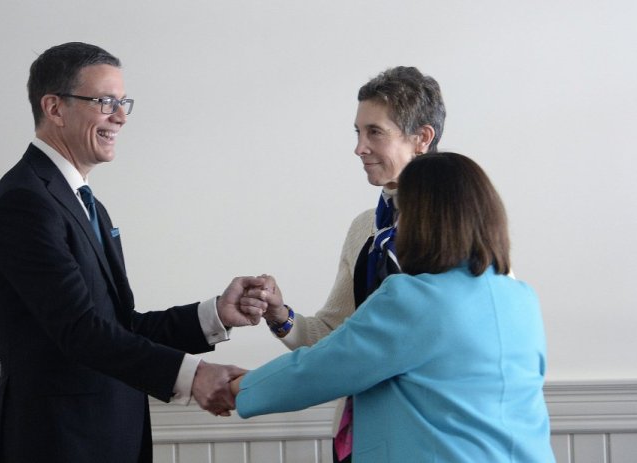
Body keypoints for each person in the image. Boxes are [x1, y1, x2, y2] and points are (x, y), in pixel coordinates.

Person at [0, 42, 263, 463]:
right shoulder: (25, 202)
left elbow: (118, 326)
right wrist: (194, 375)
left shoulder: (83, 202)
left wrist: (216, 314)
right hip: (59, 444)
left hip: (106, 437)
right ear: (54, 108)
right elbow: (81, 331)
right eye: (105, 101)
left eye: (123, 102)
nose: (121, 116)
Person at [233, 152, 555, 462]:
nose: (398, 221)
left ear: (427, 220)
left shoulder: (415, 300)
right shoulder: (522, 298)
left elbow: (320, 369)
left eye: (404, 210)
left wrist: (232, 387)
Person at [244, 66, 446, 462]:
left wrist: (242, 389)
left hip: (433, 441)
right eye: (358, 132)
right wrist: (280, 315)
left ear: (421, 138)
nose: (359, 147)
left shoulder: (460, 228)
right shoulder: (365, 230)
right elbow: (338, 339)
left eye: (375, 132)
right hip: (369, 440)